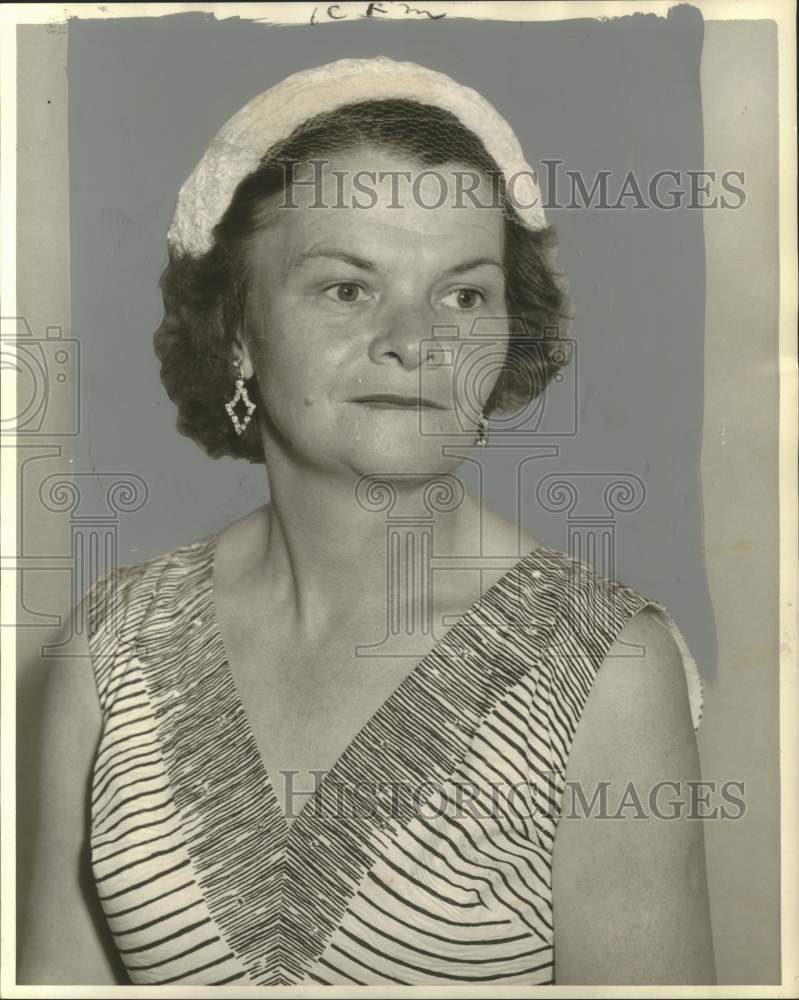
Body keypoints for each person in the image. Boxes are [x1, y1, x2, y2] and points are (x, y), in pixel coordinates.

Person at [18, 57, 715, 986]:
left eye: (463, 294)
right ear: (235, 329)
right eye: (347, 288)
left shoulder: (603, 665)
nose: (416, 339)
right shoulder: (112, 643)